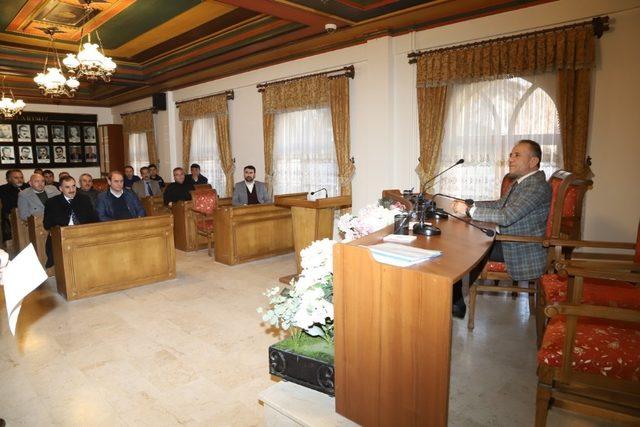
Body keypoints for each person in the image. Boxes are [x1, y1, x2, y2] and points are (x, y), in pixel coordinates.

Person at [450, 140, 552, 318]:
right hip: (508, 240)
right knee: (467, 240)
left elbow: (506, 217)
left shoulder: (536, 186)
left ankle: (454, 300)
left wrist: (469, 210)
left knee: (466, 246)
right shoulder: (522, 182)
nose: (510, 159)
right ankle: (455, 298)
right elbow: (500, 205)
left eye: (517, 155)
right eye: (511, 155)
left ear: (533, 161)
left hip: (521, 248)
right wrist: (470, 203)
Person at [43, 175, 98, 267]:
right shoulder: (52, 202)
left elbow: (93, 219)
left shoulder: (84, 199)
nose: (72, 190)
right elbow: (47, 224)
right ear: (60, 188)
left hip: (83, 233)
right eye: (67, 187)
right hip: (63, 235)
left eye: (73, 186)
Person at [0, 169, 28, 242]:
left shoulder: (27, 187)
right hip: (10, 217)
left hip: (27, 216)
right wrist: (20, 197)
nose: (20, 180)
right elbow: (8, 205)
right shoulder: (3, 189)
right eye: (16, 178)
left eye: (21, 177)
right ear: (9, 179)